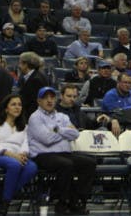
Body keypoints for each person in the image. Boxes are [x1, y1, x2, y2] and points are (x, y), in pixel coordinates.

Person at [27, 86, 96, 214]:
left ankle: (77, 200)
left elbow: (75, 134)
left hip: (64, 154)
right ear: (39, 101)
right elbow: (46, 139)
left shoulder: (62, 116)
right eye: (45, 98)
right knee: (66, 165)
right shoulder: (35, 117)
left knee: (89, 162)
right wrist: (64, 132)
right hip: (43, 155)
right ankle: (62, 202)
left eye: (52, 97)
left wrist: (57, 129)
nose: (49, 101)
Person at [0, 94, 38, 215]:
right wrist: (12, 155)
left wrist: (24, 154)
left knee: (32, 168)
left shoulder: (24, 126)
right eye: (13, 104)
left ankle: (2, 194)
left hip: (17, 156)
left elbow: (25, 144)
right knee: (14, 165)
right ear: (6, 108)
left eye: (19, 105)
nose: (17, 107)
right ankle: (6, 202)